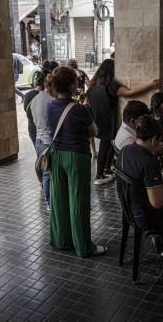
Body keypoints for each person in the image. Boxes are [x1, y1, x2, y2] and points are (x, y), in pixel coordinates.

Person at [46, 66, 107, 257]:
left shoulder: (50, 106)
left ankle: (62, 241)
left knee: (59, 200)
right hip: (76, 157)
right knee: (78, 202)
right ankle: (83, 247)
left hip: (56, 156)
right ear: (72, 85)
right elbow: (94, 132)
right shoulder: (80, 109)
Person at [116, 115, 163, 258]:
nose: (162, 145)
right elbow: (157, 203)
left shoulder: (126, 150)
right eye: (160, 141)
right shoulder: (147, 162)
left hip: (130, 210)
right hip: (145, 218)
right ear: (153, 140)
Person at [87, 59, 159, 185]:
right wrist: (150, 85)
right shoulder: (110, 86)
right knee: (105, 146)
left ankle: (105, 170)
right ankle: (99, 174)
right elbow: (130, 92)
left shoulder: (93, 86)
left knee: (107, 145)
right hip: (109, 120)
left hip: (97, 119)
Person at [30, 71, 54, 205]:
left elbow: (34, 119)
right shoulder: (51, 101)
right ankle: (50, 201)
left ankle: (49, 200)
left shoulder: (35, 99)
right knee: (48, 173)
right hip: (47, 142)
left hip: (38, 139)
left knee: (45, 171)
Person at [24, 70, 47, 188]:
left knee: (38, 154)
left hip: (31, 127)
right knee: (44, 155)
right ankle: (45, 180)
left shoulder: (28, 95)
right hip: (40, 128)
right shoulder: (42, 97)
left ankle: (40, 182)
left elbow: (26, 112)